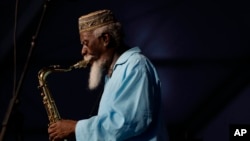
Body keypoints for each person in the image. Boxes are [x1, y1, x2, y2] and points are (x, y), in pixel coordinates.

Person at [48, 9, 168, 141]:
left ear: (105, 39)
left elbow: (128, 121)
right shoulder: (114, 73)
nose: (82, 51)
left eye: (85, 43)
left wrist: (76, 128)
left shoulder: (136, 65)